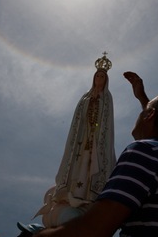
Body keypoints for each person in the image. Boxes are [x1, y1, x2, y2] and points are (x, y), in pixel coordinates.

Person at [31, 71, 158, 237]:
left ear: (149, 116)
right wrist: (143, 99)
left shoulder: (145, 152)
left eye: (144, 111)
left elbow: (93, 230)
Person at [33, 54, 116, 228]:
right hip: (81, 138)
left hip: (96, 139)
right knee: (78, 165)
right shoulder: (85, 97)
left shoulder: (107, 98)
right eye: (97, 76)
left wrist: (97, 134)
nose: (99, 78)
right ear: (93, 79)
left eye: (102, 76)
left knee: (91, 165)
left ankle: (89, 196)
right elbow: (78, 118)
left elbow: (107, 121)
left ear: (105, 80)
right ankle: (72, 194)